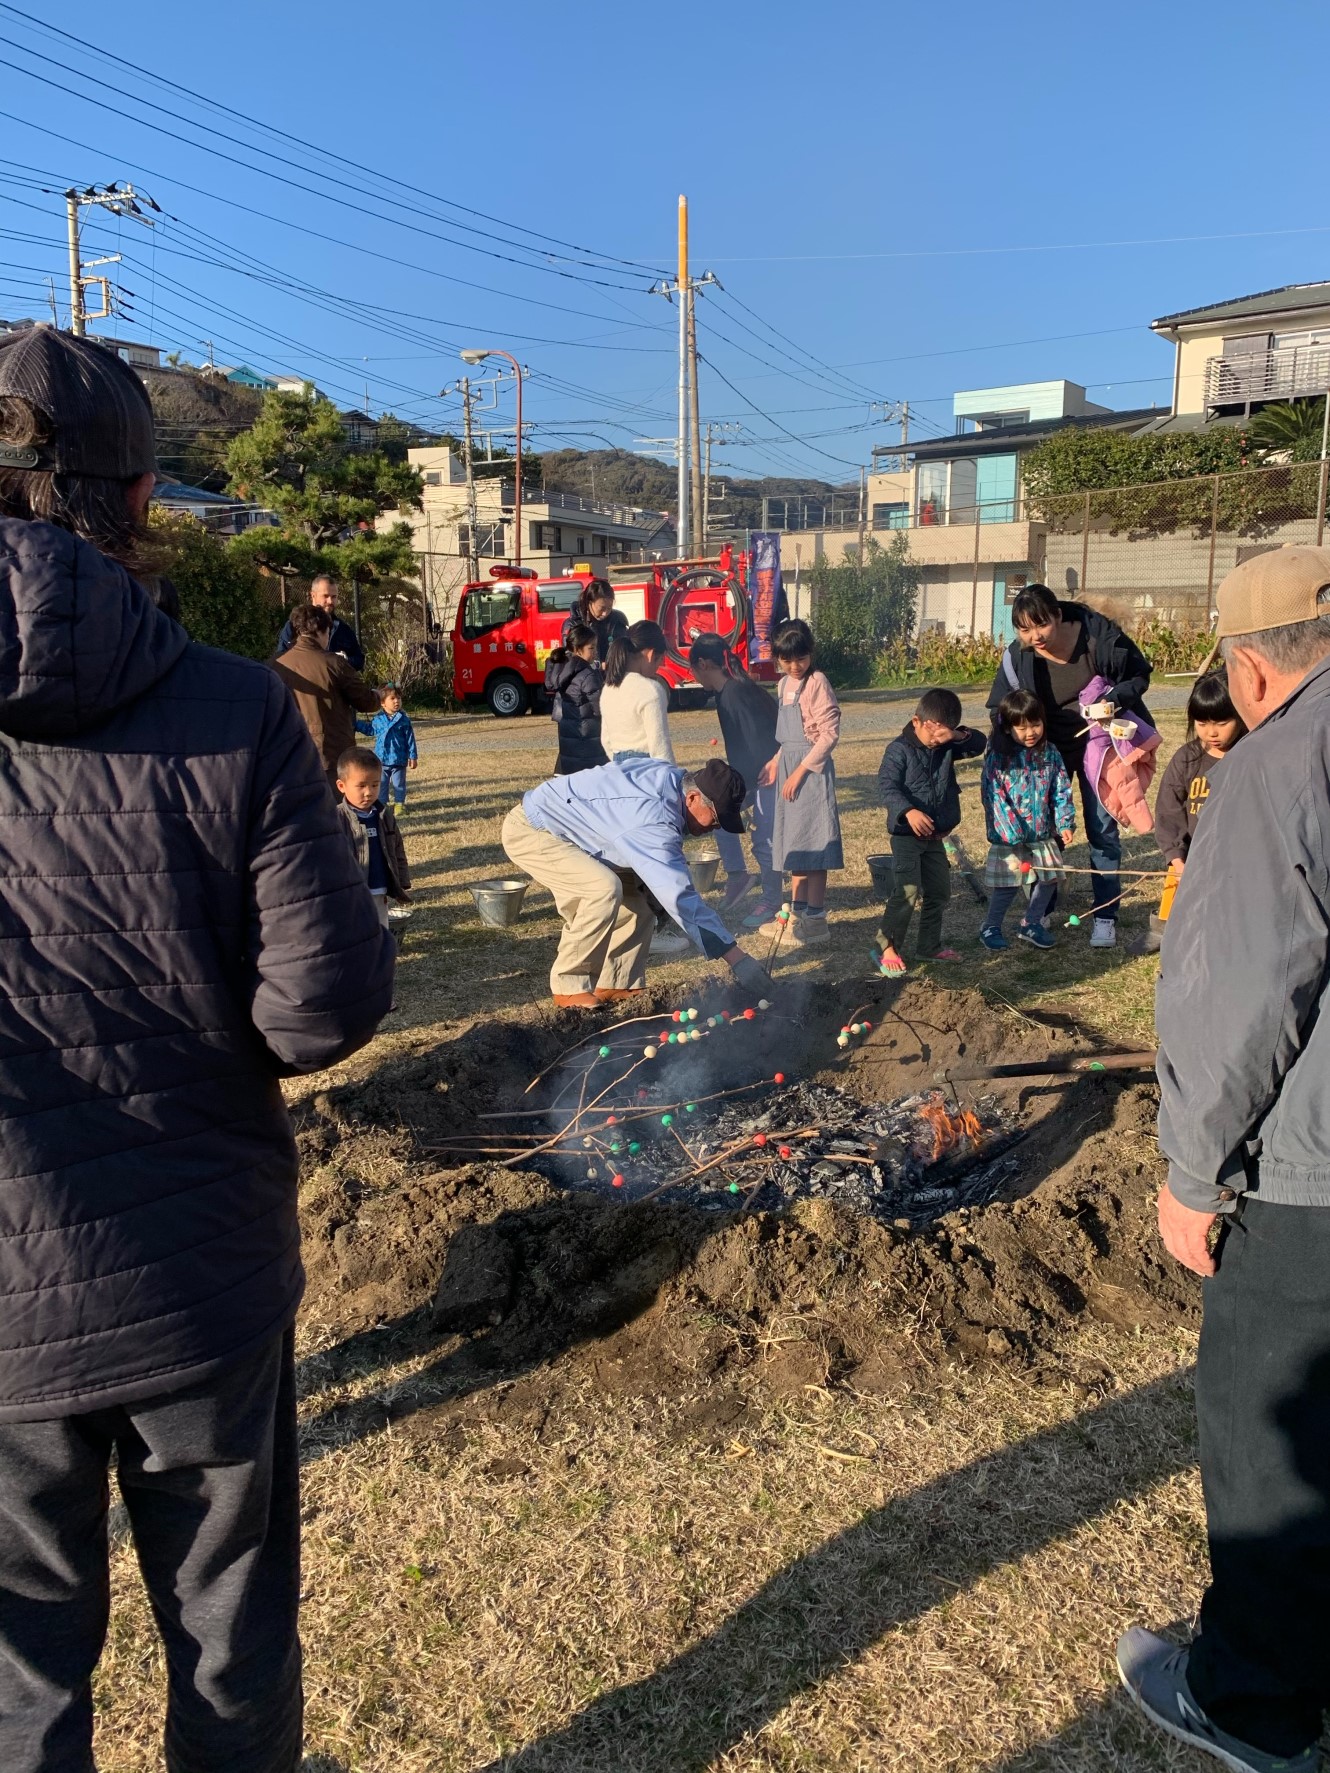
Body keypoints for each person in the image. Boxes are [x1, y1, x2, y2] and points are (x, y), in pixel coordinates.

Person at [0, 324, 395, 1773]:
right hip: (199, 1275)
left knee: (17, 1677)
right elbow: (318, 1011)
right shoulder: (239, 707)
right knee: (229, 1639)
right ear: (143, 499)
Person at [1118, 546, 1330, 1773]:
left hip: (1311, 1182)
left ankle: (1250, 1704)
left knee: (1272, 1438)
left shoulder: (1280, 761)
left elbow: (1244, 987)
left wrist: (1193, 1171)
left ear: (1249, 670)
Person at [500, 756, 773, 1008]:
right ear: (692, 797)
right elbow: (679, 898)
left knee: (642, 896)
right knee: (602, 889)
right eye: (716, 818)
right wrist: (736, 958)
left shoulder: (672, 782)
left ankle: (618, 981)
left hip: (576, 832)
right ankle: (569, 985)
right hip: (536, 830)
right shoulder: (653, 820)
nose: (716, 827)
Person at [986, 583, 1152, 950]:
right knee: (1044, 832)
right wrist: (1001, 750)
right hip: (1048, 752)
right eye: (1024, 629)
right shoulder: (1018, 657)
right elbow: (1000, 707)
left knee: (1102, 831)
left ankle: (1105, 916)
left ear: (1058, 616)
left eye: (1041, 625)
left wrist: (1113, 700)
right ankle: (1040, 911)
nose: (1035, 637)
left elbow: (1139, 674)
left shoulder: (1099, 638)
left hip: (1098, 746)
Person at [875, 688, 985, 975]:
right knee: (907, 891)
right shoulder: (898, 750)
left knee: (939, 892)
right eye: (932, 734)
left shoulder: (947, 745)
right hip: (906, 837)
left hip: (935, 837)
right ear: (917, 721)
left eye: (943, 735)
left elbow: (980, 744)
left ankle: (929, 946)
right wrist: (908, 811)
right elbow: (886, 786)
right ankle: (886, 947)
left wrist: (955, 736)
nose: (936, 741)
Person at [755, 619, 843, 947]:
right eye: (787, 660)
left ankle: (815, 921)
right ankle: (796, 914)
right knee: (795, 843)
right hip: (790, 768)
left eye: (801, 658)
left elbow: (829, 735)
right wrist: (776, 761)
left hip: (810, 773)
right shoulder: (783, 685)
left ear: (811, 653)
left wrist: (799, 771)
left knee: (814, 844)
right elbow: (788, 739)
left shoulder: (817, 682)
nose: (795, 666)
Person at [1147, 668, 1246, 948]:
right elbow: (1169, 810)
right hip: (1190, 859)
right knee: (1180, 918)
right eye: (1202, 723)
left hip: (1236, 861)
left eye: (1222, 722)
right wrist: (1177, 859)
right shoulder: (1187, 759)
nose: (1211, 732)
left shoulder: (1250, 756)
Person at [688, 633, 782, 925]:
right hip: (751, 775)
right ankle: (738, 875)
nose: (693, 677)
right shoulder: (726, 692)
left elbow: (759, 741)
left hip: (766, 776)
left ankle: (771, 901)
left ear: (704, 664)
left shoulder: (736, 693)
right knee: (715, 812)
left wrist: (748, 787)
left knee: (764, 841)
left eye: (693, 670)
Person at [978, 689, 1076, 952]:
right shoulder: (999, 758)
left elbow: (1061, 789)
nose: (1030, 732)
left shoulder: (1050, 753)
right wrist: (1011, 832)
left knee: (1049, 878)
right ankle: (991, 926)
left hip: (1041, 833)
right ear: (1007, 728)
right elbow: (993, 796)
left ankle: (1031, 922)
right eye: (1022, 728)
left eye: (1036, 725)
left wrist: (1064, 822)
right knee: (1008, 884)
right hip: (1009, 837)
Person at [273, 602, 381, 795]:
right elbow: (366, 701)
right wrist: (378, 696)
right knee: (334, 807)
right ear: (323, 631)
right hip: (331, 752)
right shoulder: (334, 663)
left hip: (287, 754)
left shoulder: (275, 666)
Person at [337, 746, 412, 925]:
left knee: (380, 930)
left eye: (375, 785)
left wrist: (402, 879)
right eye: (361, 786)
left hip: (379, 888)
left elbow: (397, 848)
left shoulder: (384, 815)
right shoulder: (336, 818)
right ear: (341, 786)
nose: (369, 792)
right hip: (350, 893)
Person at [600, 618, 675, 763]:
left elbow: (606, 740)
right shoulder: (651, 690)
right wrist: (672, 773)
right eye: (660, 661)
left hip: (617, 762)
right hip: (647, 765)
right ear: (651, 655)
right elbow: (659, 746)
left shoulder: (608, 688)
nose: (658, 667)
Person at [545, 622, 607, 775]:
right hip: (589, 739)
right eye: (591, 648)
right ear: (578, 650)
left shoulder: (562, 669)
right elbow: (600, 708)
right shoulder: (587, 674)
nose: (595, 652)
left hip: (569, 736)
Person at [276, 572, 365, 671]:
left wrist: (343, 660)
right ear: (313, 595)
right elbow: (281, 658)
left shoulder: (343, 629)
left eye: (334, 597)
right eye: (325, 596)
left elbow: (359, 661)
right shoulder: (294, 625)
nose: (330, 601)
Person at [357, 681, 419, 810]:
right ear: (382, 703)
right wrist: (356, 724)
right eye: (392, 698)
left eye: (399, 698)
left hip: (399, 759)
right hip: (382, 759)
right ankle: (382, 804)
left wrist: (413, 756)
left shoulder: (404, 720)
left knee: (399, 783)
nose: (397, 701)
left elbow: (410, 739)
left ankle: (399, 805)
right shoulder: (378, 719)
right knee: (382, 783)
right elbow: (370, 730)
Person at [561, 577, 628, 665]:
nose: (605, 613)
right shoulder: (574, 624)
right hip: (585, 672)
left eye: (609, 608)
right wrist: (598, 666)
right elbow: (570, 658)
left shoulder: (617, 620)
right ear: (589, 603)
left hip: (613, 671)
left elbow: (624, 649)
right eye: (601, 608)